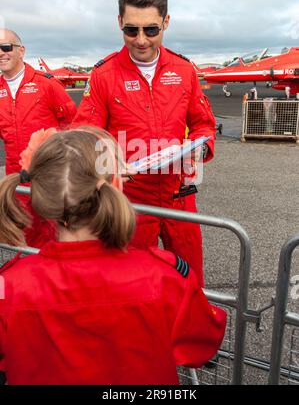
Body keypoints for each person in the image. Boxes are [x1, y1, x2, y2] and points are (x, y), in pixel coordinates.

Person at [0, 126, 226, 385]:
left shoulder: (9, 284)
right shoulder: (163, 275)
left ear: (42, 195)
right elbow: (202, 344)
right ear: (114, 186)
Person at [73, 0, 216, 286]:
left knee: (190, 283)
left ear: (166, 22)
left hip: (180, 196)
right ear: (119, 23)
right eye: (131, 30)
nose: (140, 40)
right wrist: (108, 163)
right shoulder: (103, 75)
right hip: (130, 201)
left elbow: (204, 123)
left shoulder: (184, 70)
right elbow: (84, 134)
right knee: (132, 286)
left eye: (151, 30)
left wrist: (200, 148)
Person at [0, 28, 77, 246]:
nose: (1, 53)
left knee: (56, 231)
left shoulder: (47, 84)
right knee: (25, 230)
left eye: (6, 47)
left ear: (21, 51)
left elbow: (73, 124)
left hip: (51, 174)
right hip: (17, 177)